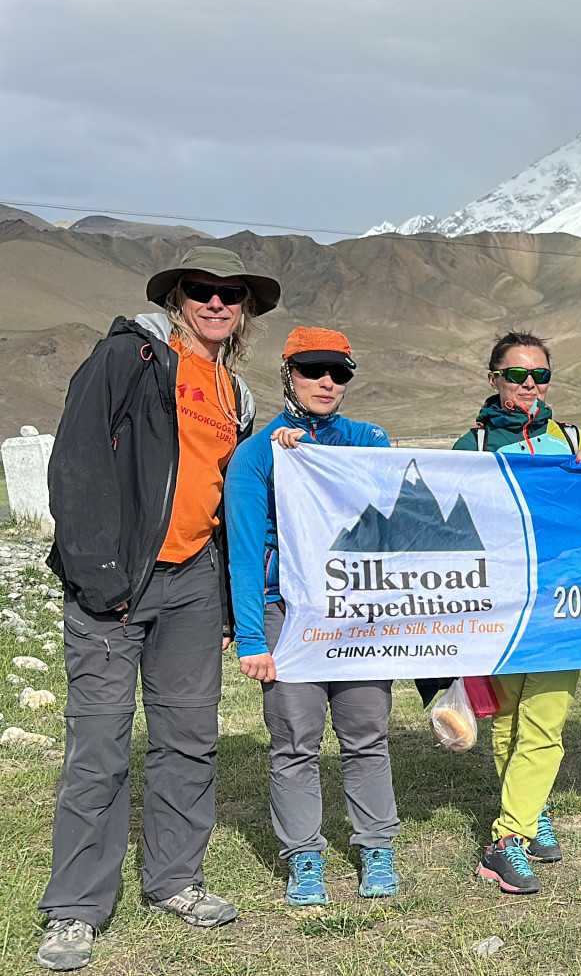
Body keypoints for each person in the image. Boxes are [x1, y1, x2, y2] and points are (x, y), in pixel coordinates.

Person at [37, 246, 266, 971]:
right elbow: (75, 461)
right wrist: (98, 573)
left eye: (231, 294)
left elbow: (232, 503)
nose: (217, 303)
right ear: (178, 297)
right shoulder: (129, 358)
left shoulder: (237, 392)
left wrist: (230, 598)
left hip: (194, 584)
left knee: (188, 737)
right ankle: (75, 908)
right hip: (117, 582)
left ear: (244, 310)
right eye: (202, 290)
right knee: (100, 747)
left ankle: (175, 880)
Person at [224, 327, 401, 906]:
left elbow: (399, 515)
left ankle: (376, 846)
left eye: (340, 372)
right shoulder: (258, 455)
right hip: (289, 613)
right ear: (288, 375)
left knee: (367, 734)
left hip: (358, 609)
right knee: (295, 739)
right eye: (313, 370)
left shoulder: (367, 440)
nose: (327, 382)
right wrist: (251, 635)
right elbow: (246, 550)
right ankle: (304, 854)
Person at [458, 331, 581, 894]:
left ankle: (509, 838)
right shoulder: (468, 448)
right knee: (506, 719)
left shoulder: (570, 438)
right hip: (497, 605)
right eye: (516, 375)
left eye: (539, 375)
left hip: (561, 603)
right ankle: (531, 808)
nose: (528, 386)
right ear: (494, 378)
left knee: (546, 721)